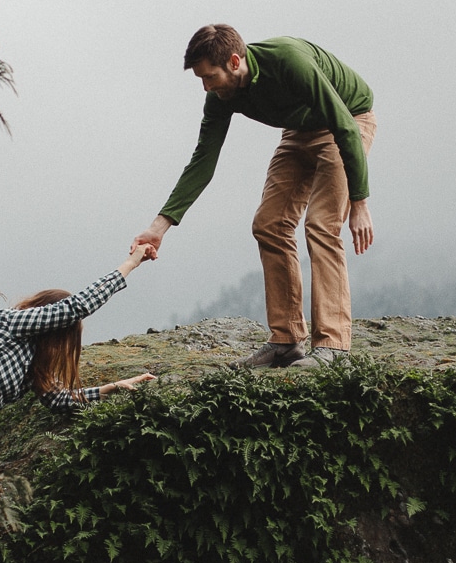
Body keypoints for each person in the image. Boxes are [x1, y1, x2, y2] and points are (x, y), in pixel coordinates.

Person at [133, 25, 377, 369]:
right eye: (201, 79)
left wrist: (360, 202)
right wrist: (159, 227)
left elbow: (345, 127)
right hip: (299, 130)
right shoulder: (220, 97)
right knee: (269, 224)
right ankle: (287, 340)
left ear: (235, 62)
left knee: (321, 224)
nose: (206, 86)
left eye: (210, 77)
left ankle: (333, 348)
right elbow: (203, 160)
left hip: (349, 119)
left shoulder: (289, 62)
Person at [0, 241, 159, 479]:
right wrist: (130, 263)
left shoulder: (32, 362)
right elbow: (77, 306)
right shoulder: (12, 324)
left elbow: (59, 400)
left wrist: (113, 388)